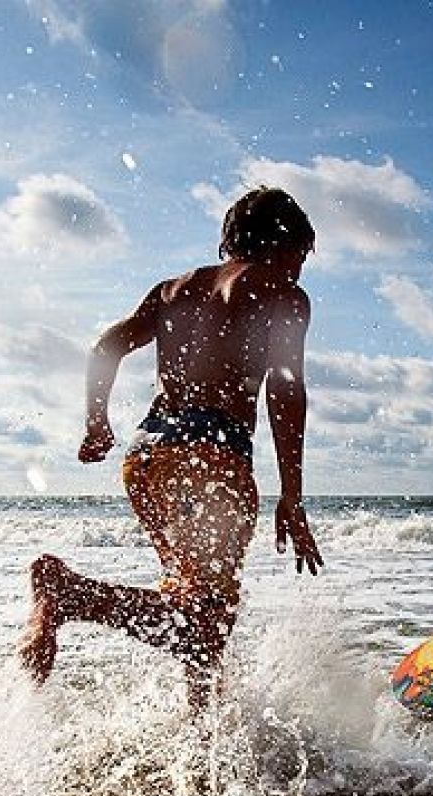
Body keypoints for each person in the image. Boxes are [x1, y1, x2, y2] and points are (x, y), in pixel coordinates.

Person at [18, 186, 323, 709]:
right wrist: (291, 496)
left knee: (196, 605)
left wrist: (97, 423)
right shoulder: (280, 292)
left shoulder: (173, 290)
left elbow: (107, 345)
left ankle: (204, 743)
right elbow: (286, 389)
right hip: (211, 457)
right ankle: (67, 593)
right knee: (203, 622)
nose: (300, 270)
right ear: (284, 243)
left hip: (148, 456)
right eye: (300, 254)